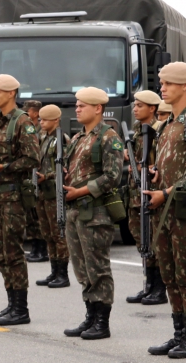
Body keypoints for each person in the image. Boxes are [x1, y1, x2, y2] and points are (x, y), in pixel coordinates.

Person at [61, 87, 123, 340]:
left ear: (98, 108)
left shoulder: (108, 137)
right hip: (76, 212)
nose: (77, 108)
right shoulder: (77, 139)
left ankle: (102, 321)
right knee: (81, 268)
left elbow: (113, 176)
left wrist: (81, 191)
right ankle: (90, 315)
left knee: (98, 267)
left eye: (82, 105)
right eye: (77, 105)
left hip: (95, 212)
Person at [0, 74, 39, 326]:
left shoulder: (22, 122)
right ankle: (11, 304)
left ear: (12, 94)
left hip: (13, 195)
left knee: (13, 252)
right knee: (0, 252)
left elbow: (32, 158)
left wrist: (2, 167)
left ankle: (21, 308)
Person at [145, 62, 186, 358]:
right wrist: (157, 174)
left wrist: (167, 192)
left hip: (182, 211)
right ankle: (179, 333)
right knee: (169, 274)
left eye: (168, 83)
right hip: (165, 211)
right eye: (162, 83)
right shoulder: (168, 125)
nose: (163, 88)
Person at [125, 90, 167, 305]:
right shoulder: (136, 131)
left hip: (150, 191)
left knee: (153, 242)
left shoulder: (158, 130)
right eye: (135, 105)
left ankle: (159, 289)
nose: (135, 109)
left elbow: (160, 162)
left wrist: (150, 167)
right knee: (142, 242)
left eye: (140, 106)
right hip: (135, 193)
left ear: (152, 108)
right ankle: (148, 286)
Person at [33, 105, 71, 288]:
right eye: (40, 119)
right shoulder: (42, 137)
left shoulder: (60, 140)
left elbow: (65, 169)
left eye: (45, 120)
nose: (41, 122)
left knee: (58, 233)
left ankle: (63, 274)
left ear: (55, 120)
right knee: (47, 233)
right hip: (42, 193)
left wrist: (46, 177)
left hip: (54, 192)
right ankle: (54, 271)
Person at [22, 100, 48, 262]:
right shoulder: (29, 129)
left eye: (28, 111)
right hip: (29, 177)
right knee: (31, 215)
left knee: (39, 216)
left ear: (36, 113)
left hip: (41, 177)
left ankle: (41, 248)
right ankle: (34, 247)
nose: (25, 114)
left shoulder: (41, 132)